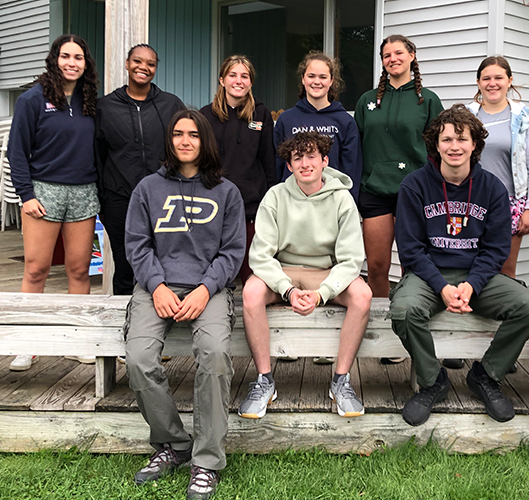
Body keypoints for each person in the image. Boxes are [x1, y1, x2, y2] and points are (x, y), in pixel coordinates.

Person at [390, 104, 529, 426]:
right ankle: (434, 382)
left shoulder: (492, 188)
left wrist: (472, 284)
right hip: (429, 274)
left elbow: (497, 248)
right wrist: (442, 287)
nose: (454, 146)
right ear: (436, 144)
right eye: (446, 140)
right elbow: (410, 249)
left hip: (479, 277)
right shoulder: (414, 186)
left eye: (462, 139)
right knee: (404, 310)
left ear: (475, 144)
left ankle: (486, 376)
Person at [124, 109, 245, 500]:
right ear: (170, 140)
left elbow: (231, 253)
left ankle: (206, 461)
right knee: (139, 358)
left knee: (213, 354)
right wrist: (157, 286)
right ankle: (173, 444)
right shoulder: (147, 189)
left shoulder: (226, 192)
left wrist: (205, 289)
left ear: (204, 140)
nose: (185, 140)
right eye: (177, 134)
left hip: (207, 290)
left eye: (193, 134)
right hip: (155, 286)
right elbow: (137, 246)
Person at [238, 131, 372, 419]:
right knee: (250, 292)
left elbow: (351, 259)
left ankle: (341, 381)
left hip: (324, 272)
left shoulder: (342, 199)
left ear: (324, 161)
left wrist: (323, 293)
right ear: (289, 165)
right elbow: (261, 256)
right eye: (297, 158)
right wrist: (287, 290)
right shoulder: (275, 196)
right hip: (284, 270)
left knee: (363, 294)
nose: (305, 163)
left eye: (312, 156)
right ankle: (264, 381)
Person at [7, 34, 100, 371]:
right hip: (43, 192)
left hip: (83, 190)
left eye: (78, 57)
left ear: (86, 63)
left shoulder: (90, 102)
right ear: (54, 59)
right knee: (36, 268)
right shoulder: (33, 99)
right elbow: (16, 151)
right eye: (65, 56)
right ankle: (25, 344)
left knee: (78, 270)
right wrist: (26, 195)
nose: (72, 63)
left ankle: (78, 342)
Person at [355, 34, 443, 364]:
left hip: (415, 194)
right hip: (375, 191)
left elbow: (439, 148)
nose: (392, 59)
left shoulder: (428, 101)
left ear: (412, 57)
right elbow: (358, 146)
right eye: (386, 55)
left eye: (398, 53)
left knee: (413, 267)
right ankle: (382, 333)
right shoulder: (367, 101)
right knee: (377, 267)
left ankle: (410, 336)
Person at [95, 43, 185, 295]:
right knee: (125, 267)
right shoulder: (106, 107)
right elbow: (97, 156)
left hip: (163, 199)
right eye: (137, 61)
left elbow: (183, 148)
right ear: (127, 64)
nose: (143, 67)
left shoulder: (171, 105)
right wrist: (103, 198)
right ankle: (122, 322)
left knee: (162, 266)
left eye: (151, 64)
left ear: (155, 69)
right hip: (119, 200)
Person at [200, 55, 276, 283]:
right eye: (233, 75)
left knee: (251, 276)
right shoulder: (205, 116)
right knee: (216, 274)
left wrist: (271, 200)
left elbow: (268, 161)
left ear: (251, 82)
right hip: (214, 208)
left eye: (245, 76)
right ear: (222, 80)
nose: (239, 81)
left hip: (251, 208)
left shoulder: (261, 115)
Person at [465, 56, 529, 279]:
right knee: (468, 267)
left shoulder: (525, 117)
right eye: (486, 78)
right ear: (478, 82)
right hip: (470, 201)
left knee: (504, 271)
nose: (493, 83)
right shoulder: (467, 115)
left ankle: (500, 313)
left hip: (509, 203)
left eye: (499, 78)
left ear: (509, 81)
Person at [274, 51, 362, 200]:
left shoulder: (345, 121)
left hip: (332, 200)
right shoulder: (286, 119)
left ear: (331, 81)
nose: (317, 81)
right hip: (291, 200)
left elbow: (352, 167)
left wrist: (349, 202)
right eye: (311, 76)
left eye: (323, 77)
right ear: (303, 79)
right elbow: (277, 165)